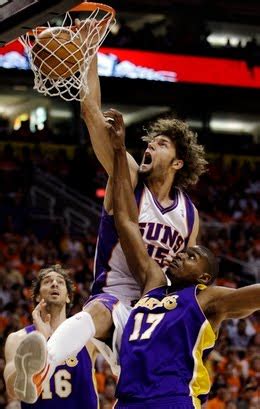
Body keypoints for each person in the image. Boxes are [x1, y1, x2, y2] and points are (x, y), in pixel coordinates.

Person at [11, 49, 208, 403]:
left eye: (161, 144)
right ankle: (44, 365)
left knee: (144, 391)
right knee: (97, 311)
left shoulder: (189, 215)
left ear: (178, 162)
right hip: (115, 295)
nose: (150, 145)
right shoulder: (128, 175)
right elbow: (90, 111)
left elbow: (187, 274)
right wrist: (89, 50)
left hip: (154, 310)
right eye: (150, 140)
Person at [107, 116, 260, 408]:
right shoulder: (152, 281)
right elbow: (126, 221)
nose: (179, 254)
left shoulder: (206, 299)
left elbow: (253, 296)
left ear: (203, 278)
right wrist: (118, 152)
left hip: (173, 399)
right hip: (127, 399)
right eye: (184, 252)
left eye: (191, 256)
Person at [4, 265, 98, 408]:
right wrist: (40, 339)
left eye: (60, 282)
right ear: (37, 296)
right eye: (47, 281)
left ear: (68, 297)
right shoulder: (18, 339)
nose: (54, 283)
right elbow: (13, 391)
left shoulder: (88, 334)